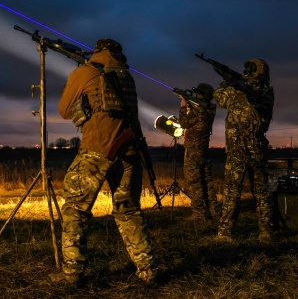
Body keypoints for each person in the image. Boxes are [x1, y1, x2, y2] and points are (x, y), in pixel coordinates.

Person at [53, 38, 158, 286]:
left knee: (75, 209)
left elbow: (64, 110)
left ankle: (72, 272)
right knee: (129, 212)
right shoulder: (126, 77)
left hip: (97, 149)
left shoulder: (85, 72)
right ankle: (148, 271)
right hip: (129, 151)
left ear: (97, 52)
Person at [214, 58, 276, 242]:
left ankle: (227, 232)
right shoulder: (260, 90)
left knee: (238, 191)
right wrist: (230, 80)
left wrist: (228, 81)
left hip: (243, 149)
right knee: (258, 192)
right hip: (251, 149)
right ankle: (264, 231)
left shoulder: (253, 91)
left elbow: (221, 96)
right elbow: (222, 98)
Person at [178, 82, 220, 221]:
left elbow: (184, 123)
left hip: (193, 150)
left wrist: (183, 107)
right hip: (203, 150)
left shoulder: (199, 111)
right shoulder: (209, 109)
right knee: (207, 181)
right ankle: (214, 210)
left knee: (194, 182)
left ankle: (199, 213)